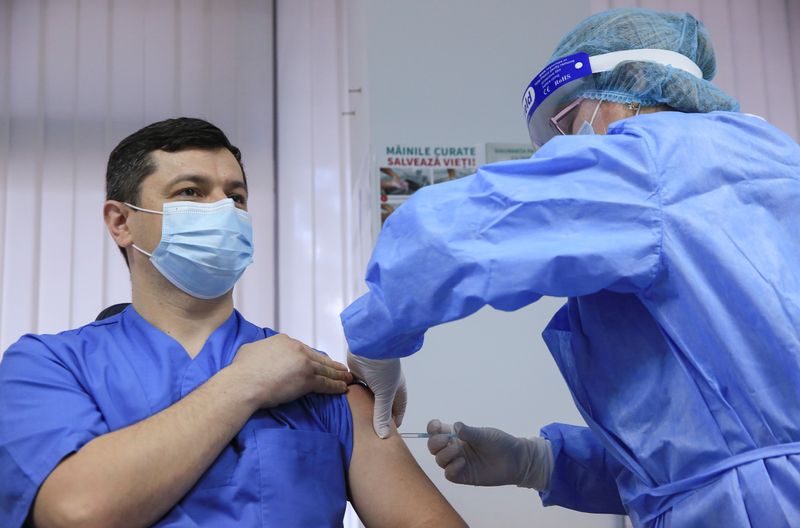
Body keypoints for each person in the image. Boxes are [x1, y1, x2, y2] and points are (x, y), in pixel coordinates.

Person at [341, 8, 800, 527]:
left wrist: (372, 341)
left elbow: (440, 236)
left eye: (569, 121)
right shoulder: (772, 160)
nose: (566, 146)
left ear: (627, 97)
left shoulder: (654, 161)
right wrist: (539, 462)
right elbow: (708, 448)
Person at [0, 118, 466, 527]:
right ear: (121, 221)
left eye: (236, 197)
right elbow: (76, 511)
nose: (224, 210)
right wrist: (243, 384)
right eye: (191, 192)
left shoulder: (315, 376)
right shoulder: (48, 366)